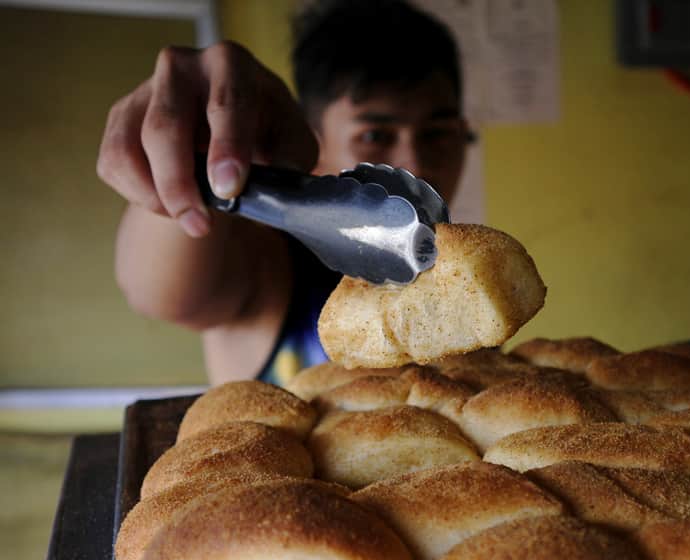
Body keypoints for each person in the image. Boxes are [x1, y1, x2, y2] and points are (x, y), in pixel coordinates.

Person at [98, 0, 470, 386]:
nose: (417, 163)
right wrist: (197, 145)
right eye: (375, 136)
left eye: (437, 134)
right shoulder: (262, 265)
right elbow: (162, 294)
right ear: (315, 141)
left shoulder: (458, 274)